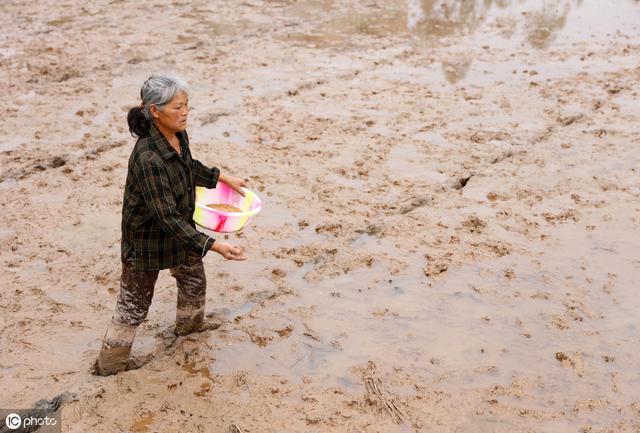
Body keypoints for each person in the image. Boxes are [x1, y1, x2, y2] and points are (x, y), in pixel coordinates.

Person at [94, 72, 247, 376]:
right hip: (147, 241)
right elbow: (166, 217)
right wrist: (214, 245)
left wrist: (222, 177)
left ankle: (189, 331)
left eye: (187, 105)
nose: (185, 112)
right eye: (177, 107)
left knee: (193, 281)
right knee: (133, 306)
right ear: (154, 111)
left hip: (180, 232)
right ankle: (109, 366)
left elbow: (188, 167)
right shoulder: (148, 158)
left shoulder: (178, 135)